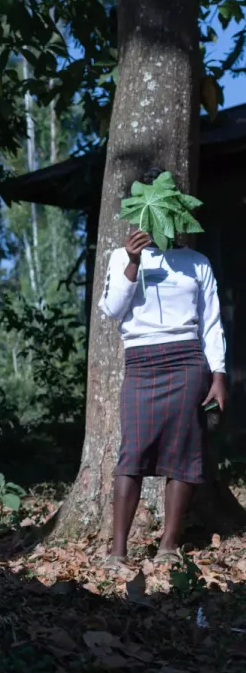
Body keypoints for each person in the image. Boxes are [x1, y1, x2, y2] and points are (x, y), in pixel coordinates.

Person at [99, 170, 228, 565]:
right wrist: (133, 264)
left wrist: (218, 374)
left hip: (188, 363)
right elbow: (111, 310)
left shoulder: (197, 262)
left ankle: (169, 546)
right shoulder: (122, 256)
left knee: (186, 453)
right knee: (132, 454)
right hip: (141, 363)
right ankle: (118, 551)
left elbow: (211, 322)